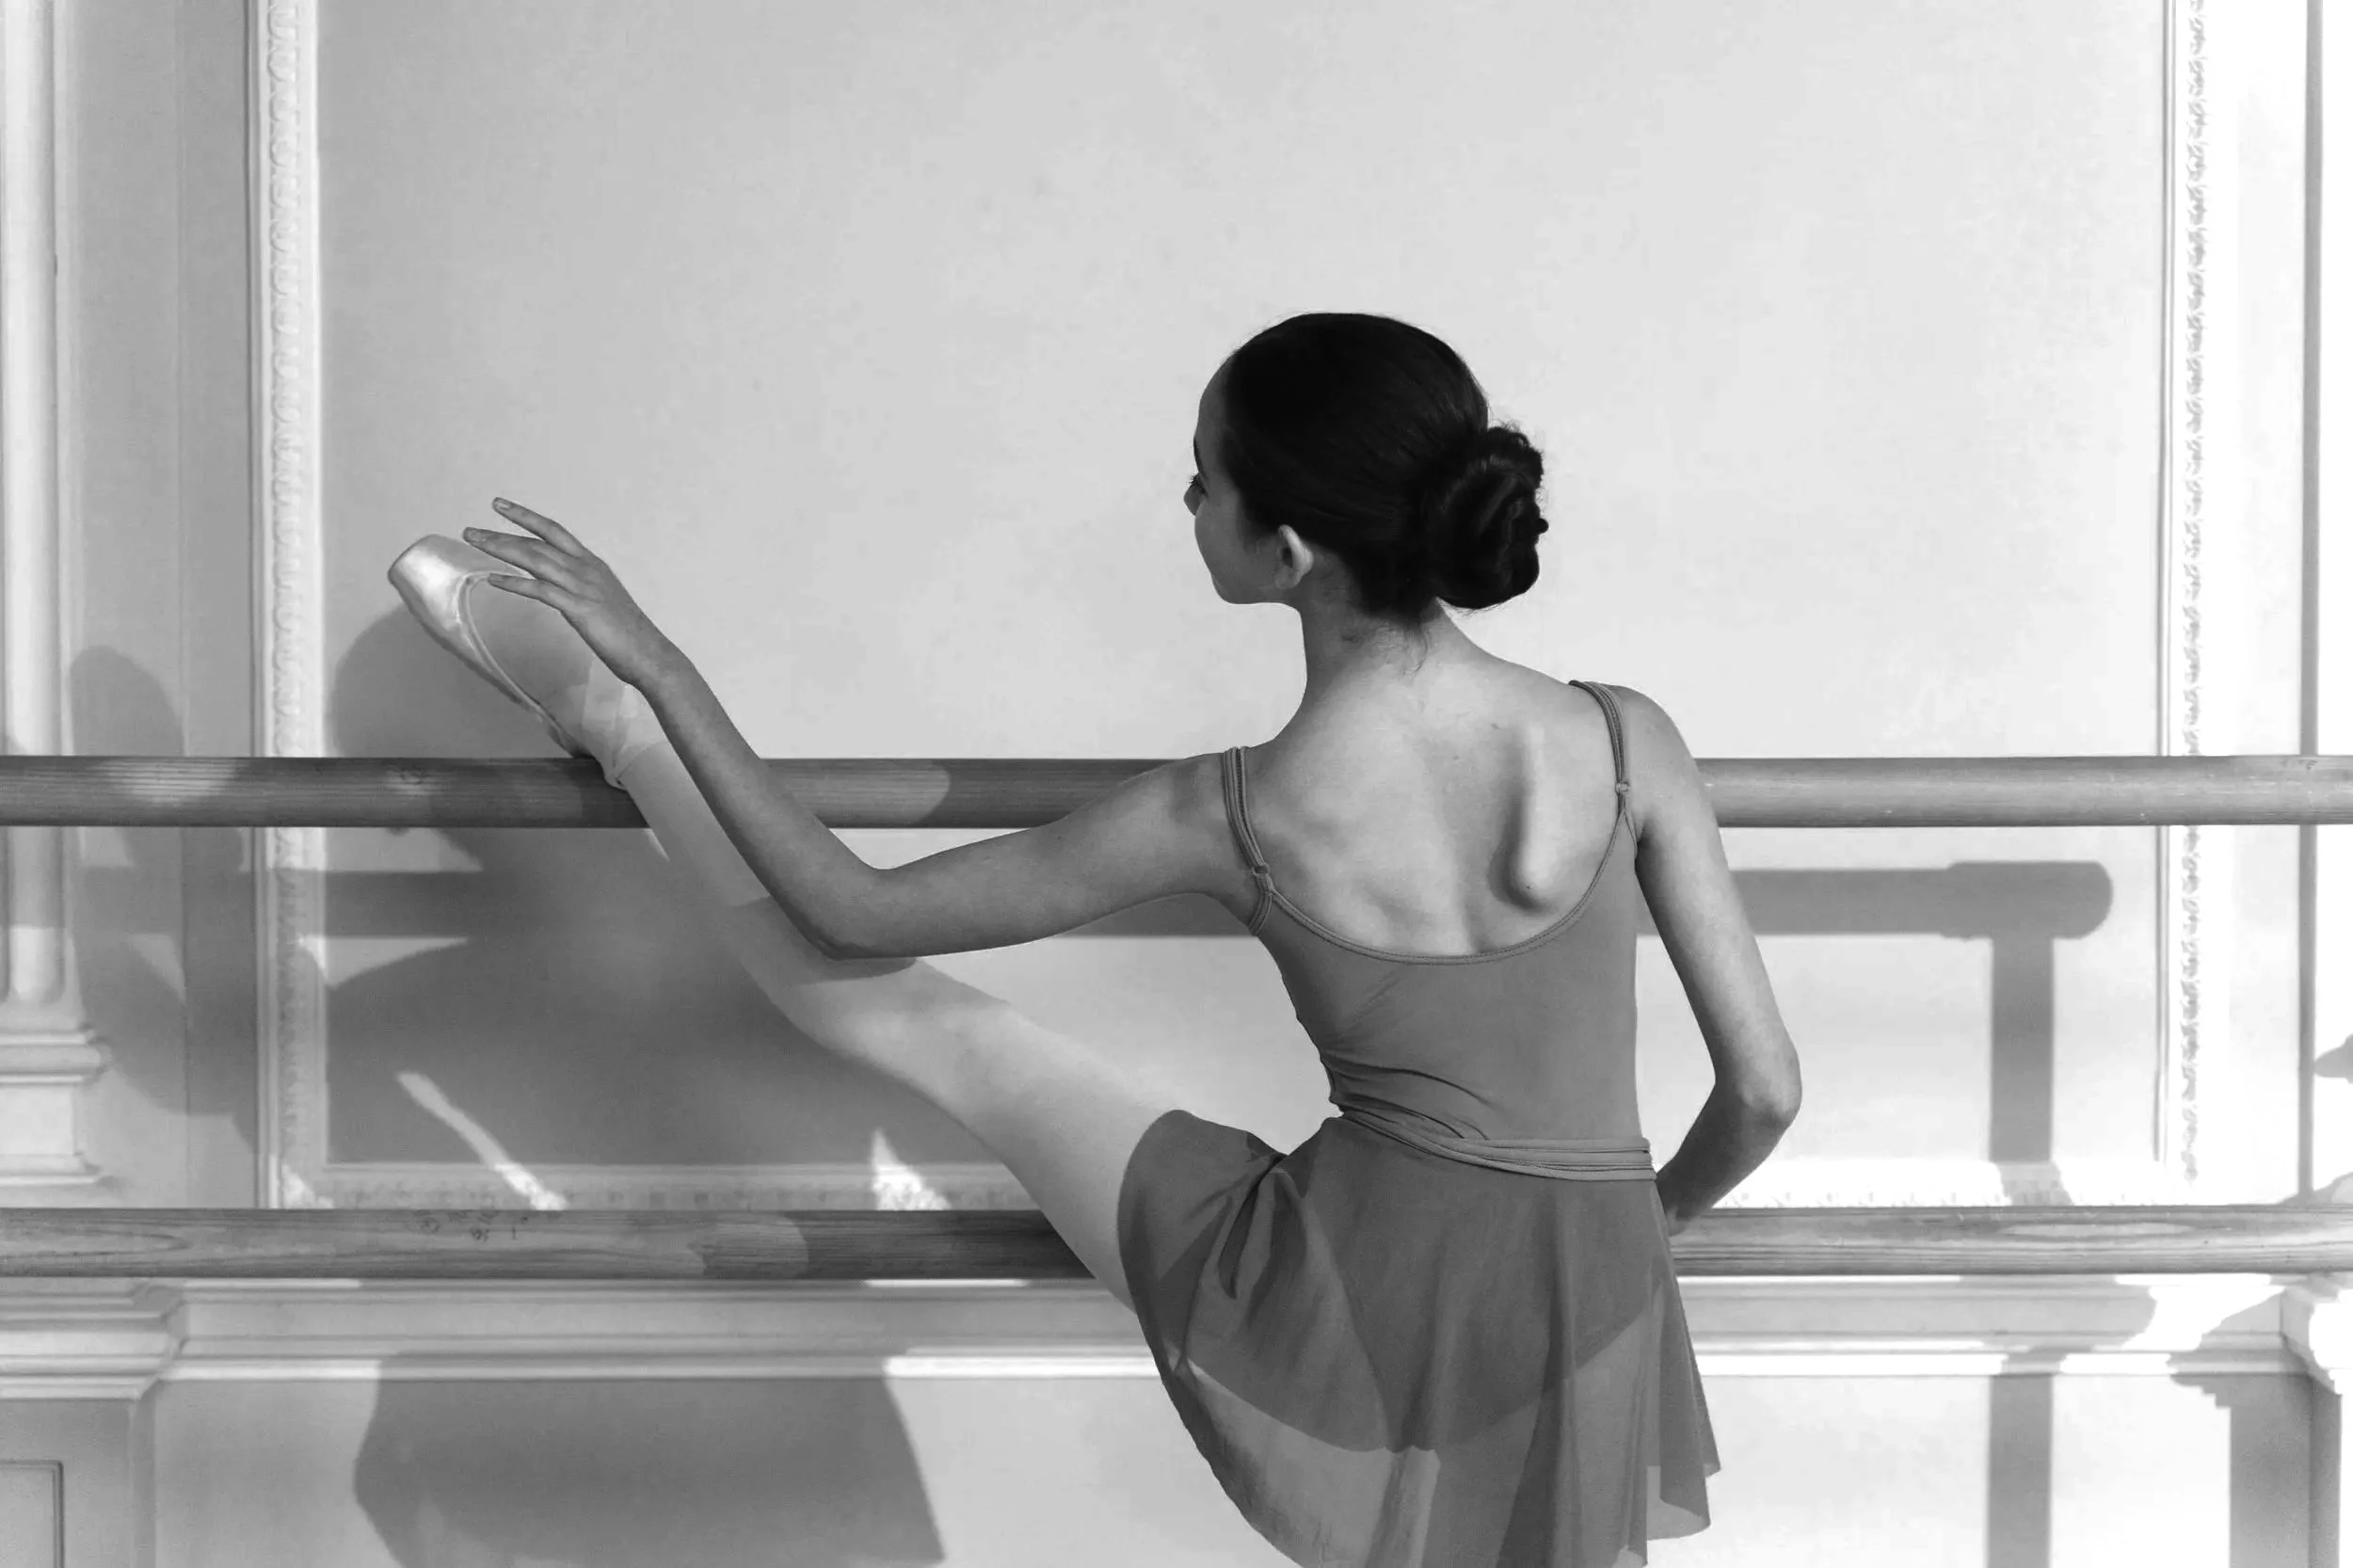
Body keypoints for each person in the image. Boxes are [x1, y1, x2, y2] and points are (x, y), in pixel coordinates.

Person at [391, 312, 1803, 1568]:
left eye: (1203, 477)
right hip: (1589, 1294)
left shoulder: (1237, 810)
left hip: (1338, 1300)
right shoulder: (1631, 739)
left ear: (1286, 550)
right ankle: (611, 715)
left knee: (930, 1025)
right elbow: (1763, 1092)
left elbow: (850, 911)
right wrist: (1627, 1234)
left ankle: (610, 718)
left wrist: (659, 663)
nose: (1186, 501)